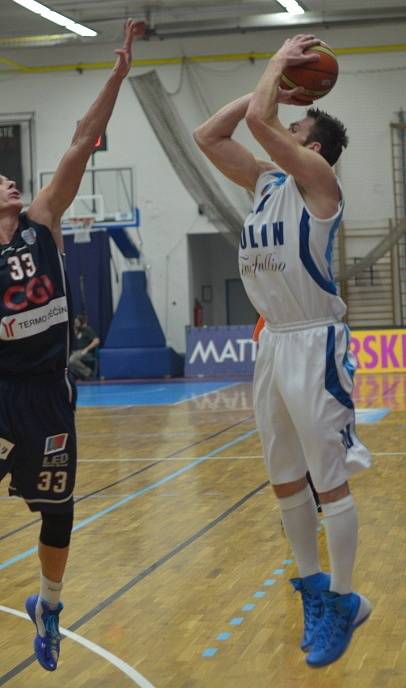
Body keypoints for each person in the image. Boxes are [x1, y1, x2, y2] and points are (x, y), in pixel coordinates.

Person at [194, 34, 372, 668]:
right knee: (284, 479)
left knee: (330, 482)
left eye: (298, 122)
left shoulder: (318, 180)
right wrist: (270, 88)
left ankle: (347, 598)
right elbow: (207, 137)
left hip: (313, 341)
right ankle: (314, 587)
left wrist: (277, 72)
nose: (283, 122)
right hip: (271, 341)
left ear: (313, 146)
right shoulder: (267, 182)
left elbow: (258, 123)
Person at [0, 19, 144, 672]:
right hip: (3, 392)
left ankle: (49, 606)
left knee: (58, 515)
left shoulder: (43, 220)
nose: (10, 183)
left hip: (50, 393)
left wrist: (117, 74)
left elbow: (84, 140)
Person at [69, 314, 100, 380]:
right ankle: (78, 375)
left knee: (72, 360)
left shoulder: (87, 329)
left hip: (86, 352)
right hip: (77, 352)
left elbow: (96, 341)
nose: (76, 324)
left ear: (81, 322)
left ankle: (88, 372)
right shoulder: (78, 331)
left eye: (77, 323)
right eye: (75, 323)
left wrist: (86, 349)